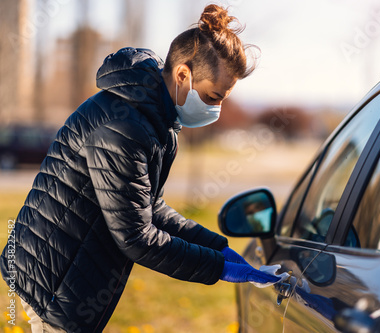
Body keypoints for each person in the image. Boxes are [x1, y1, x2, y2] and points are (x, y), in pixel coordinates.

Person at [0, 4, 279, 332]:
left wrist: (219, 248)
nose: (217, 109)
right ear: (182, 75)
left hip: (69, 267)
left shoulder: (155, 120)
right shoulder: (125, 126)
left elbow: (148, 206)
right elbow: (136, 236)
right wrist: (219, 267)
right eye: (213, 96)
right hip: (53, 275)